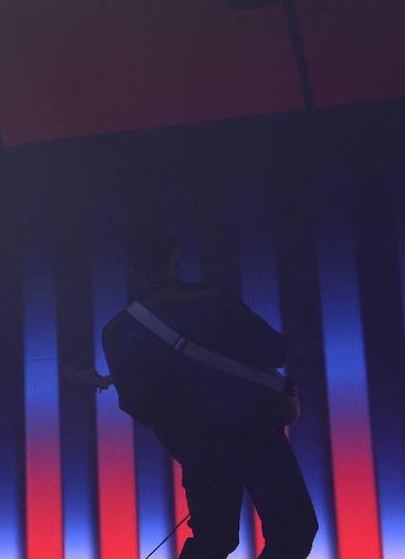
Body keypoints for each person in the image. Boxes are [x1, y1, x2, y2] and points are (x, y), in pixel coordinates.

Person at [101, 224, 318, 559]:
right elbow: (274, 351)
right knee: (293, 527)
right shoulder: (214, 299)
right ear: (174, 261)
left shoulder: (118, 331)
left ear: (133, 271)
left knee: (213, 539)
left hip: (196, 447)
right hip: (257, 431)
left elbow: (135, 404)